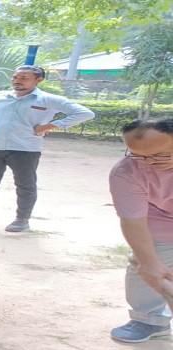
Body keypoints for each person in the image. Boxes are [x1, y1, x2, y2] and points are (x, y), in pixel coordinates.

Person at [0, 65, 95, 232]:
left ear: (38, 80)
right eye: (15, 78)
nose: (17, 81)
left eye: (24, 78)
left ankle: (22, 219)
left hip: (25, 149)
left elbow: (85, 113)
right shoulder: (1, 98)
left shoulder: (47, 100)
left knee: (25, 185)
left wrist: (49, 126)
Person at [108, 118, 173, 343]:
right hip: (161, 221)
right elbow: (133, 220)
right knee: (144, 268)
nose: (147, 163)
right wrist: (149, 263)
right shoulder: (126, 171)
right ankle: (149, 320)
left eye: (159, 155)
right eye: (138, 154)